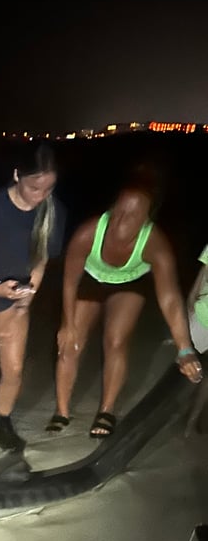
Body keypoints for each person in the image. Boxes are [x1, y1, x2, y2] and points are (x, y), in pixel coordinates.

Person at [46, 182, 203, 437]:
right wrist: (68, 324)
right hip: (89, 278)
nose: (120, 220)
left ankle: (106, 410)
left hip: (130, 282)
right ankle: (61, 411)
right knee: (70, 343)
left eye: (131, 216)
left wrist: (184, 348)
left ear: (145, 221)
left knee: (116, 339)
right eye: (118, 212)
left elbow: (171, 300)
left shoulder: (154, 243)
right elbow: (69, 281)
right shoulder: (88, 232)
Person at [0, 141, 66, 465]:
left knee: (14, 369)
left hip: (16, 292)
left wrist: (26, 300)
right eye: (35, 187)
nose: (41, 195)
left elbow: (41, 260)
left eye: (48, 188)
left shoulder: (53, 211)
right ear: (17, 175)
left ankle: (1, 425)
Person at [184, 242, 208, 435]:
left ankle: (190, 422)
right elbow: (204, 271)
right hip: (202, 314)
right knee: (185, 369)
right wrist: (191, 300)